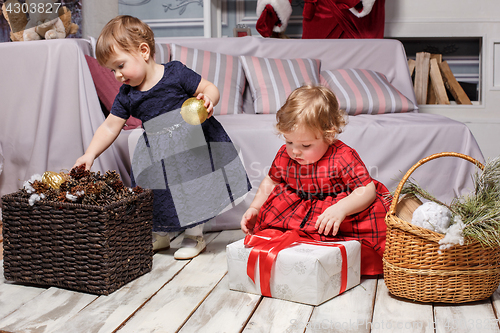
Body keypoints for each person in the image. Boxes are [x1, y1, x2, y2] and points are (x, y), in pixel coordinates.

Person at [74, 15, 250, 259]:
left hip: (190, 146)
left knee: (193, 191)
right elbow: (109, 126)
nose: (117, 75)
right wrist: (90, 153)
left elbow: (209, 87)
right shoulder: (127, 94)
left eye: (120, 66)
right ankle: (161, 234)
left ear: (143, 51)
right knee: (157, 194)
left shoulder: (175, 73)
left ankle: (193, 235)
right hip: (156, 152)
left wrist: (209, 99)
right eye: (112, 70)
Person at [240, 84, 390, 275]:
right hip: (297, 209)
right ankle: (292, 262)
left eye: (305, 145)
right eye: (289, 141)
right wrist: (255, 207)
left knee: (368, 223)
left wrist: (341, 208)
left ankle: (345, 264)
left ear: (329, 135)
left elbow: (366, 189)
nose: (295, 151)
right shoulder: (286, 156)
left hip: (334, 210)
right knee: (277, 232)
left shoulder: (342, 156)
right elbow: (271, 181)